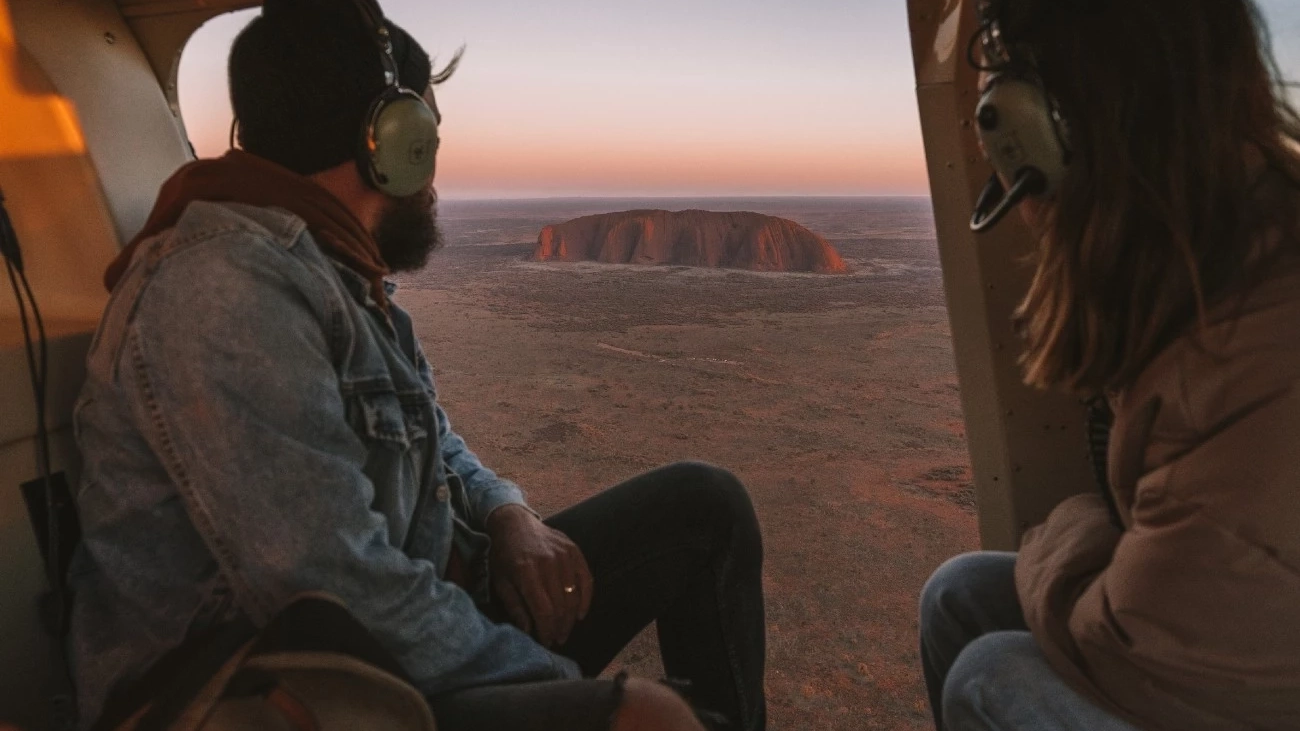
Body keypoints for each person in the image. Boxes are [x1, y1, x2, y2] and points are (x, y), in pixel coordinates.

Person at [65, 1, 765, 729]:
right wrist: (565, 683)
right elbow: (333, 586)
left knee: (704, 506)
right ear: (389, 141)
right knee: (653, 718)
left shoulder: (332, 274)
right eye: (428, 135)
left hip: (395, 620)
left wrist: (504, 512)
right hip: (268, 688)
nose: (433, 174)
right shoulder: (222, 291)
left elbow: (425, 431)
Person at [920, 0, 1300, 729]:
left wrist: (1072, 536)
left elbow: (1147, 652)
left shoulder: (1258, 325)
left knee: (986, 678)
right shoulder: (1208, 254)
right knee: (958, 593)